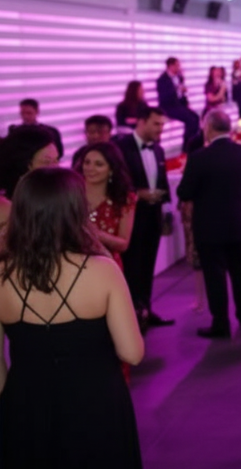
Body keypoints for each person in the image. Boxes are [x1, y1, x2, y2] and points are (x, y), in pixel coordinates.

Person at [0, 167, 144, 468]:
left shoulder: (2, 275)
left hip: (28, 408)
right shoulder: (102, 271)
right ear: (74, 211)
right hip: (96, 405)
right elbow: (132, 352)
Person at [176, 110, 241, 338]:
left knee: (215, 275)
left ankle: (221, 323)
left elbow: (184, 192)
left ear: (209, 128)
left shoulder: (199, 157)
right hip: (239, 222)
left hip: (209, 226)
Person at [114, 106, 172, 330]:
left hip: (153, 216)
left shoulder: (158, 150)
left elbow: (162, 181)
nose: (161, 129)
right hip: (130, 218)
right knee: (131, 267)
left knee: (148, 266)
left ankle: (145, 309)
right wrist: (138, 194)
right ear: (141, 122)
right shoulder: (121, 147)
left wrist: (166, 210)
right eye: (156, 124)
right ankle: (130, 316)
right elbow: (116, 182)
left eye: (162, 124)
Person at [75, 142, 136, 271]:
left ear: (111, 169)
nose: (90, 168)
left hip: (107, 267)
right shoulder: (70, 193)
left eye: (99, 164)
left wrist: (97, 234)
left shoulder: (123, 199)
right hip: (73, 264)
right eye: (87, 162)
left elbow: (124, 243)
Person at [0, 126, 60, 233]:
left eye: (56, 161)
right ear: (24, 165)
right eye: (46, 162)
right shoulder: (6, 209)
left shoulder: (60, 197)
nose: (55, 168)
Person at [156, 57, 200, 143]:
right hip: (169, 107)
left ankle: (193, 143)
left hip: (180, 105)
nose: (179, 67)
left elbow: (182, 95)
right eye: (177, 65)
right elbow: (164, 97)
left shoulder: (179, 77)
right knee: (190, 120)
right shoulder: (162, 80)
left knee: (196, 117)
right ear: (170, 66)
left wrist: (186, 103)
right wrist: (177, 89)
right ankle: (187, 144)